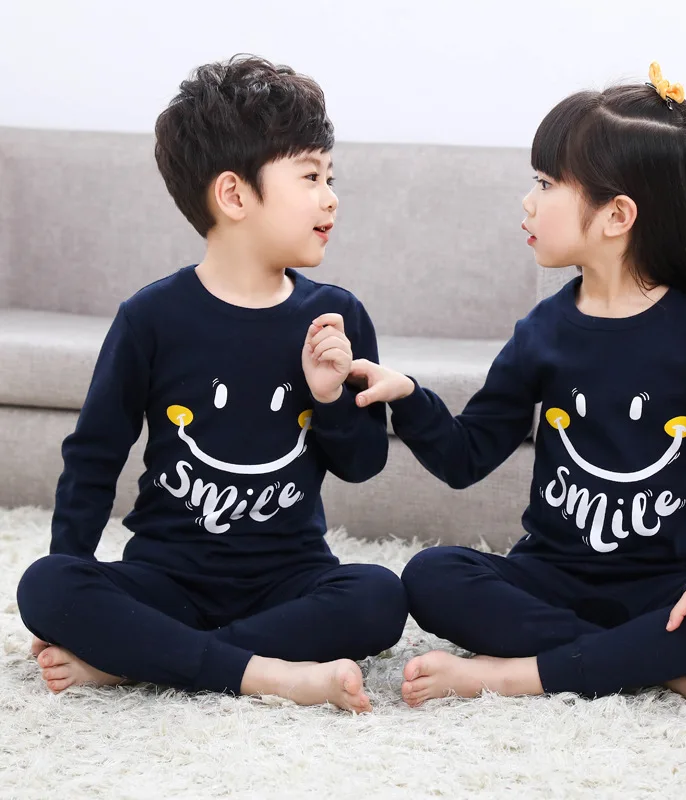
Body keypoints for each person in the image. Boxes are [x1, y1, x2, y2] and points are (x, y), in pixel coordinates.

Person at [350, 62, 686, 712]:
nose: (528, 202)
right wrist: (409, 397)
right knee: (433, 575)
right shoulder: (543, 331)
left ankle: (516, 674)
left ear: (617, 215)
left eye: (546, 184)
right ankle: (641, 662)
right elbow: (467, 455)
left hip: (663, 585)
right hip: (549, 576)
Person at [16, 55, 407, 714]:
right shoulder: (151, 317)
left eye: (330, 177)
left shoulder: (335, 318)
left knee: (381, 598)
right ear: (234, 195)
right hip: (167, 578)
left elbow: (364, 463)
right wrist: (71, 575)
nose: (330, 197)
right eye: (310, 176)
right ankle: (268, 672)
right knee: (46, 585)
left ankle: (143, 660)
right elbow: (94, 455)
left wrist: (329, 397)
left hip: (289, 579)